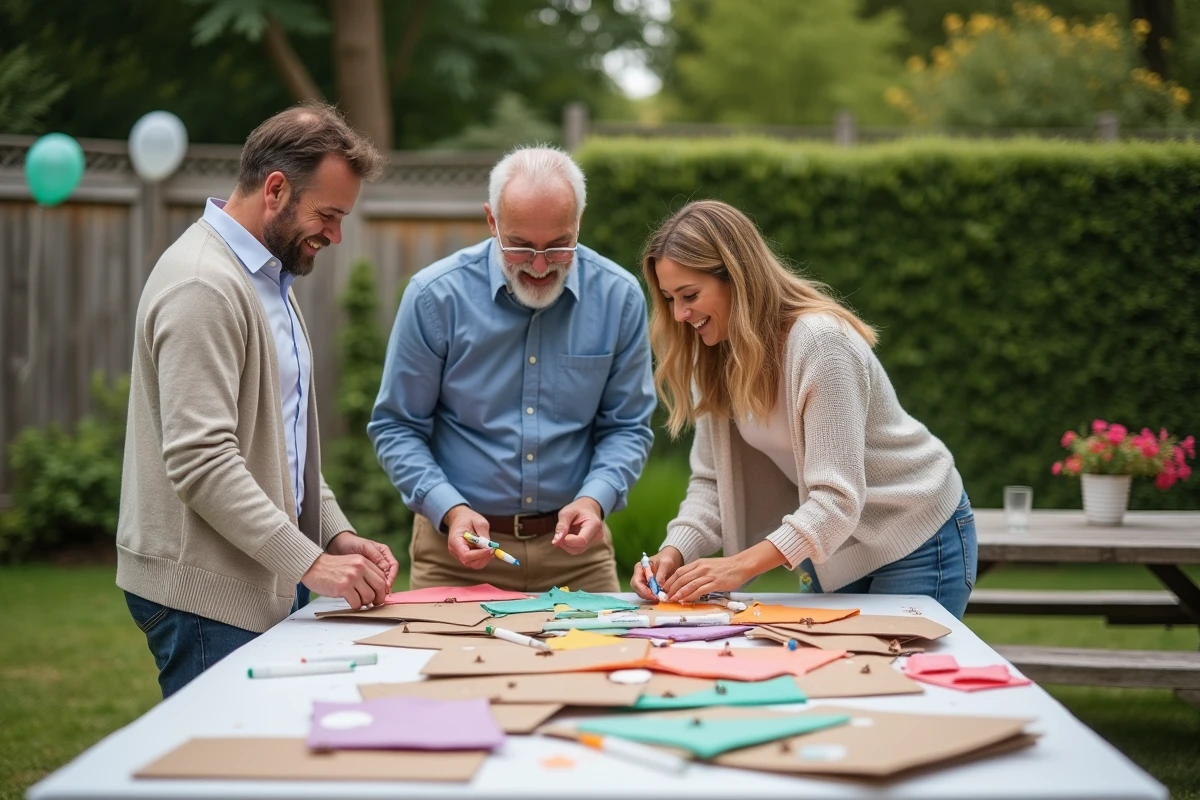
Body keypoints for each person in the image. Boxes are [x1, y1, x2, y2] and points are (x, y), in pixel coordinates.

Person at [117, 103, 399, 698]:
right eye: (327, 214)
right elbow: (202, 461)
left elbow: (285, 444)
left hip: (268, 571)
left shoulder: (269, 282)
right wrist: (310, 563)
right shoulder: (203, 284)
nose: (337, 235)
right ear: (275, 189)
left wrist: (335, 536)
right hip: (207, 595)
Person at [631, 200, 977, 618]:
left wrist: (737, 566)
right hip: (833, 550)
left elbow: (836, 500)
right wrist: (674, 551)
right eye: (669, 298)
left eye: (689, 295)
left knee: (897, 680)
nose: (679, 314)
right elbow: (712, 485)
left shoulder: (820, 344)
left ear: (737, 278)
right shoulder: (715, 355)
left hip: (913, 533)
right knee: (836, 680)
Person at [369, 146, 655, 593]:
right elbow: (397, 426)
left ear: (578, 222)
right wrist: (449, 509)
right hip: (456, 554)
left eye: (559, 245)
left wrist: (594, 498)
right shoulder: (433, 297)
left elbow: (628, 426)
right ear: (491, 221)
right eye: (521, 245)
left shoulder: (620, 298)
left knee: (601, 664)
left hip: (578, 560)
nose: (540, 266)